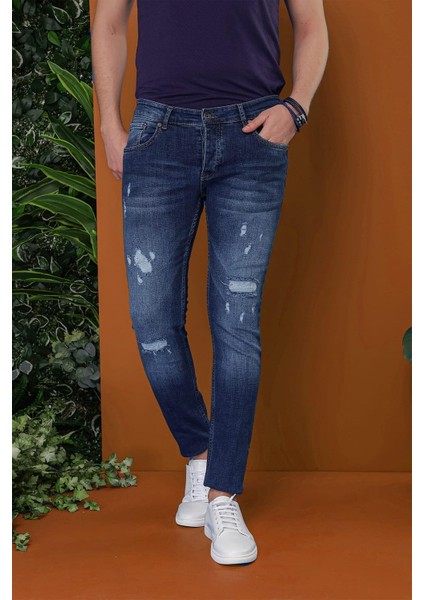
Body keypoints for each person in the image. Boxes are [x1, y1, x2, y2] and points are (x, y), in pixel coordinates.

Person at [91, 0, 328, 565]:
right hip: (158, 134)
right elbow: (109, 22)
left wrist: (296, 108)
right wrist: (110, 125)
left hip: (253, 135)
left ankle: (222, 494)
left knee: (236, 324)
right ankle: (200, 453)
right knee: (151, 320)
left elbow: (312, 24)